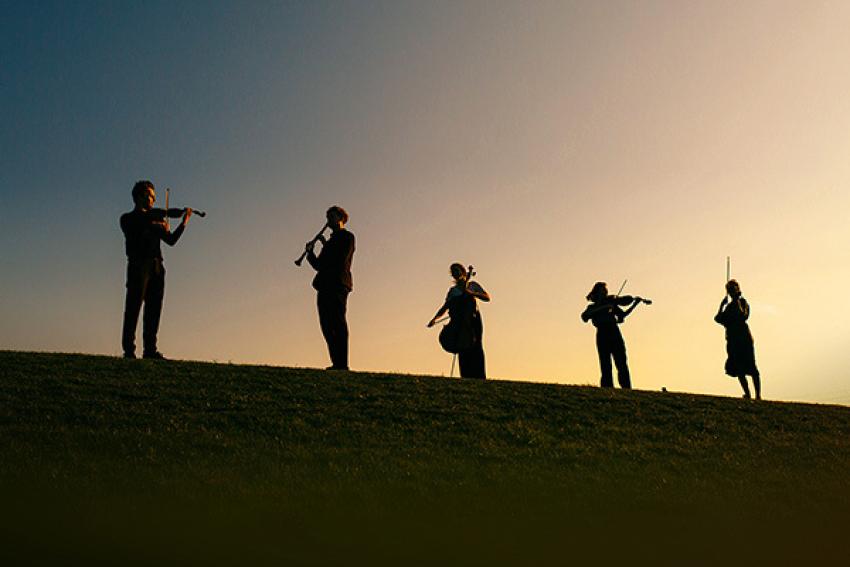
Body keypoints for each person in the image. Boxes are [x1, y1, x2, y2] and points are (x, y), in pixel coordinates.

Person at [120, 180, 193, 359]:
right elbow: (141, 220)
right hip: (139, 265)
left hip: (157, 266)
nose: (152, 199)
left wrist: (184, 222)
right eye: (149, 195)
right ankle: (129, 350)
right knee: (133, 307)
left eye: (153, 196)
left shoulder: (155, 219)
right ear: (140, 196)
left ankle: (150, 350)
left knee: (154, 309)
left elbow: (171, 241)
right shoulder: (128, 218)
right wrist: (165, 215)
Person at [305, 206, 355, 370]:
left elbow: (339, 260)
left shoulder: (347, 237)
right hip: (324, 285)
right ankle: (336, 363)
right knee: (326, 324)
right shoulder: (330, 242)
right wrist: (310, 254)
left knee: (337, 322)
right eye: (327, 217)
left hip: (338, 284)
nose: (328, 221)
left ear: (341, 218)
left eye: (332, 217)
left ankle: (342, 364)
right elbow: (319, 265)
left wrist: (325, 245)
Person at [427, 263, 490, 379]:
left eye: (457, 271)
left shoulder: (472, 285)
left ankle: (480, 376)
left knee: (476, 346)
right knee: (463, 348)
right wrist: (435, 319)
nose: (456, 274)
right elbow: (445, 307)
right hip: (459, 322)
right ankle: (466, 376)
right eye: (453, 272)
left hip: (473, 321)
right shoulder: (453, 291)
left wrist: (472, 293)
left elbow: (487, 297)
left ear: (463, 272)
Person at [581, 282, 647, 388]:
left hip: (614, 331)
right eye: (602, 291)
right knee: (605, 364)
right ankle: (607, 388)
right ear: (597, 293)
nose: (605, 293)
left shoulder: (612, 304)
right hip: (602, 333)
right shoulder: (592, 307)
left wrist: (634, 304)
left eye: (605, 291)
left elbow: (623, 314)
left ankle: (626, 388)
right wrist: (605, 307)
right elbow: (584, 317)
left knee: (621, 362)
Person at [715, 279, 761, 399]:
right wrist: (721, 306)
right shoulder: (729, 307)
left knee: (752, 367)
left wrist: (736, 301)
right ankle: (748, 394)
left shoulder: (743, 302)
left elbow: (743, 316)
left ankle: (758, 395)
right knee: (739, 369)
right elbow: (718, 318)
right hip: (733, 340)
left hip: (744, 339)